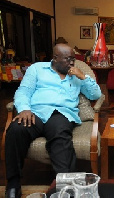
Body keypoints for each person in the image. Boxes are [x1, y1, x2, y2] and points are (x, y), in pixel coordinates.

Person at [4, 43, 101, 198]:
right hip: (35, 112)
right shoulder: (37, 69)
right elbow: (24, 91)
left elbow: (96, 95)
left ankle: (65, 187)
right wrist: (24, 109)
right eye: (67, 59)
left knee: (60, 135)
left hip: (62, 114)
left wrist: (83, 77)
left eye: (73, 59)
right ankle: (13, 184)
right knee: (16, 129)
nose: (71, 63)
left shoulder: (76, 75)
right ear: (55, 58)